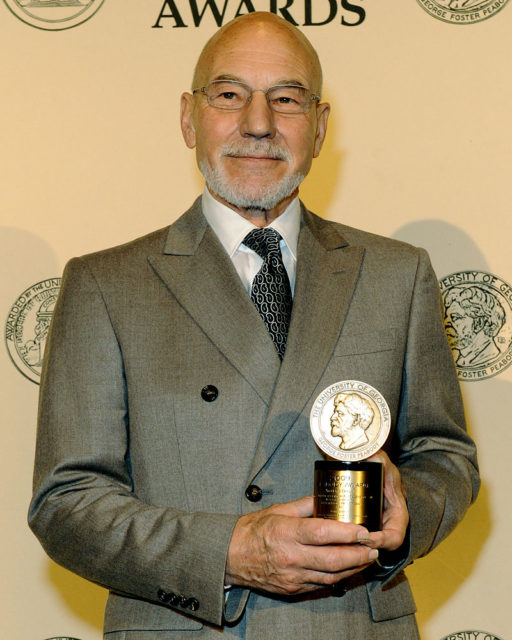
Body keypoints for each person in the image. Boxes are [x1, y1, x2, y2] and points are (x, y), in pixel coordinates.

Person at [29, 11, 479, 640]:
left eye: (287, 99)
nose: (259, 123)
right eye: (230, 94)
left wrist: (411, 510)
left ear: (320, 128)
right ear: (189, 117)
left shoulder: (397, 275)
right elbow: (67, 503)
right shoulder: (106, 285)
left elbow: (444, 456)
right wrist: (229, 552)